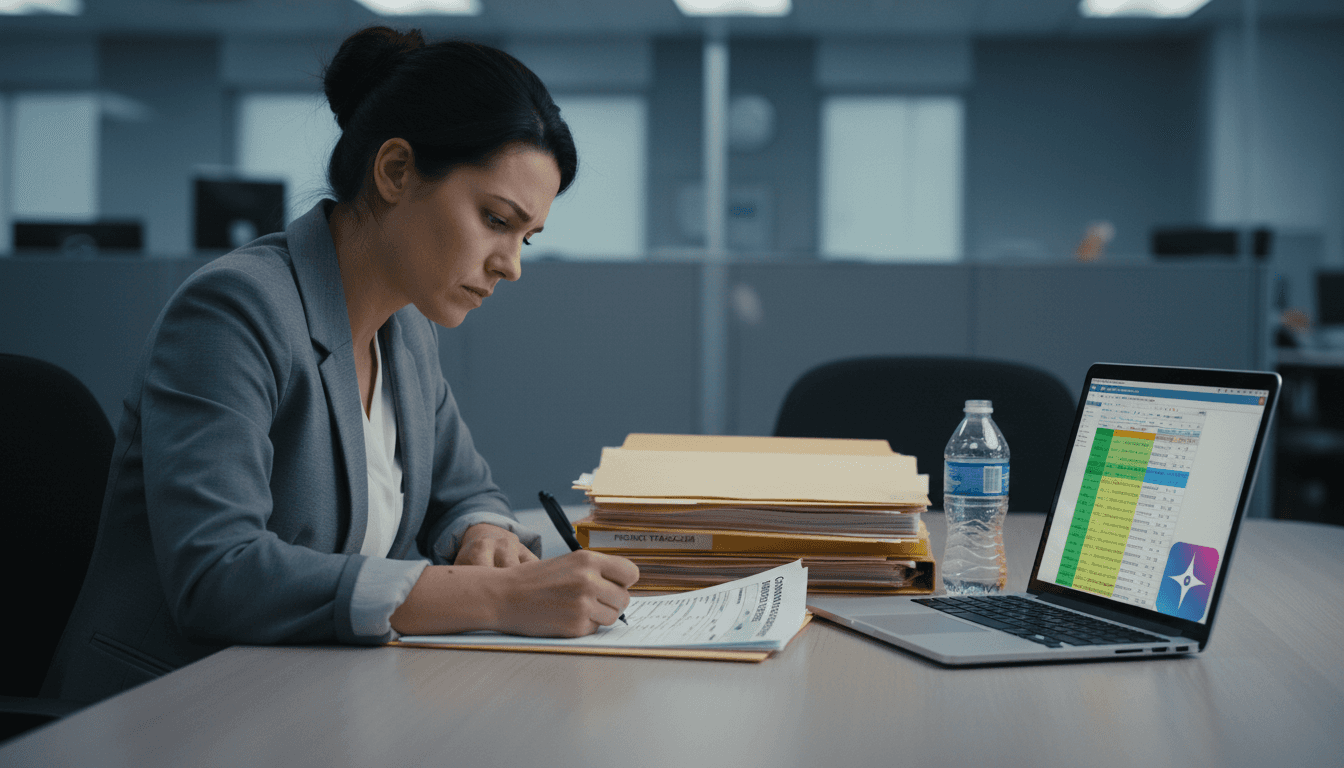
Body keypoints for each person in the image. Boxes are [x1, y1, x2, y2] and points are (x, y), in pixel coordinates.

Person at [44, 27, 639, 705]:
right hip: (164, 712)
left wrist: (482, 534)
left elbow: (464, 490)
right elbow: (217, 573)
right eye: (495, 219)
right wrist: (495, 596)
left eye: (526, 236)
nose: (512, 263)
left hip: (304, 697)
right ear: (395, 172)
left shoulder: (405, 329)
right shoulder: (233, 311)